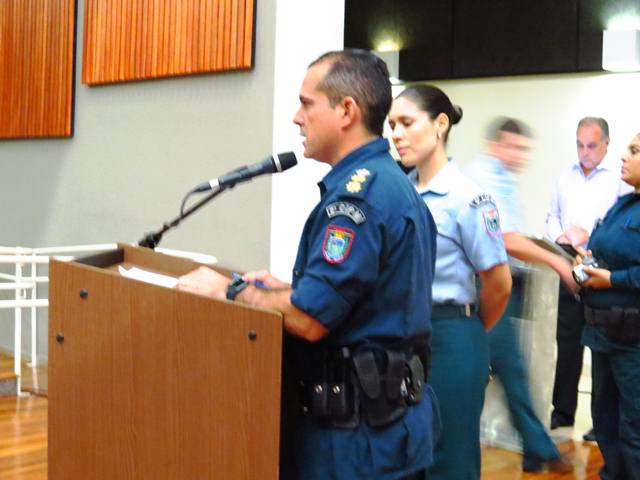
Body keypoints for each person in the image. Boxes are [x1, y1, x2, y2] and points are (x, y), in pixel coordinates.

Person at [177, 49, 439, 480]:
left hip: (356, 444)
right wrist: (282, 290)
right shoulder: (389, 185)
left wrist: (228, 290)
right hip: (384, 432)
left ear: (346, 111)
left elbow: (311, 319)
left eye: (306, 104)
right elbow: (367, 301)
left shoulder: (358, 201)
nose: (297, 118)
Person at [388, 86, 512, 480]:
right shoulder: (400, 192)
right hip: (402, 334)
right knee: (406, 454)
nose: (397, 134)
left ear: (440, 124)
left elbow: (499, 283)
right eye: (392, 125)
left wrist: (469, 329)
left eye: (407, 123)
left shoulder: (468, 199)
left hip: (452, 334)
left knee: (450, 460)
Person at [468, 117, 575, 473]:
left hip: (501, 284)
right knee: (508, 368)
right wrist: (556, 262)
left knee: (508, 368)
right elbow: (505, 239)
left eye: (522, 150)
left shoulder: (504, 180)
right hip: (484, 287)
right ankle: (539, 447)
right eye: (512, 147)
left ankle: (535, 449)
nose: (518, 155)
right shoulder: (484, 178)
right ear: (495, 145)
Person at [546, 117, 632, 439]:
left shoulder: (621, 180)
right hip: (570, 265)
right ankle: (562, 412)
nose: (584, 152)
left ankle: (601, 422)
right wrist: (562, 237)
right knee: (567, 342)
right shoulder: (564, 177)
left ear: (606, 144)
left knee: (601, 348)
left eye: (591, 146)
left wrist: (588, 237)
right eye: (580, 145)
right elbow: (552, 216)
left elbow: (619, 227)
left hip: (603, 269)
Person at [576, 132, 640, 479]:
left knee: (635, 429)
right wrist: (587, 260)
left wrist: (613, 280)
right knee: (606, 421)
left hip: (633, 341)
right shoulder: (624, 204)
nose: (624, 157)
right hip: (604, 335)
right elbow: (605, 249)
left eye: (635, 151)